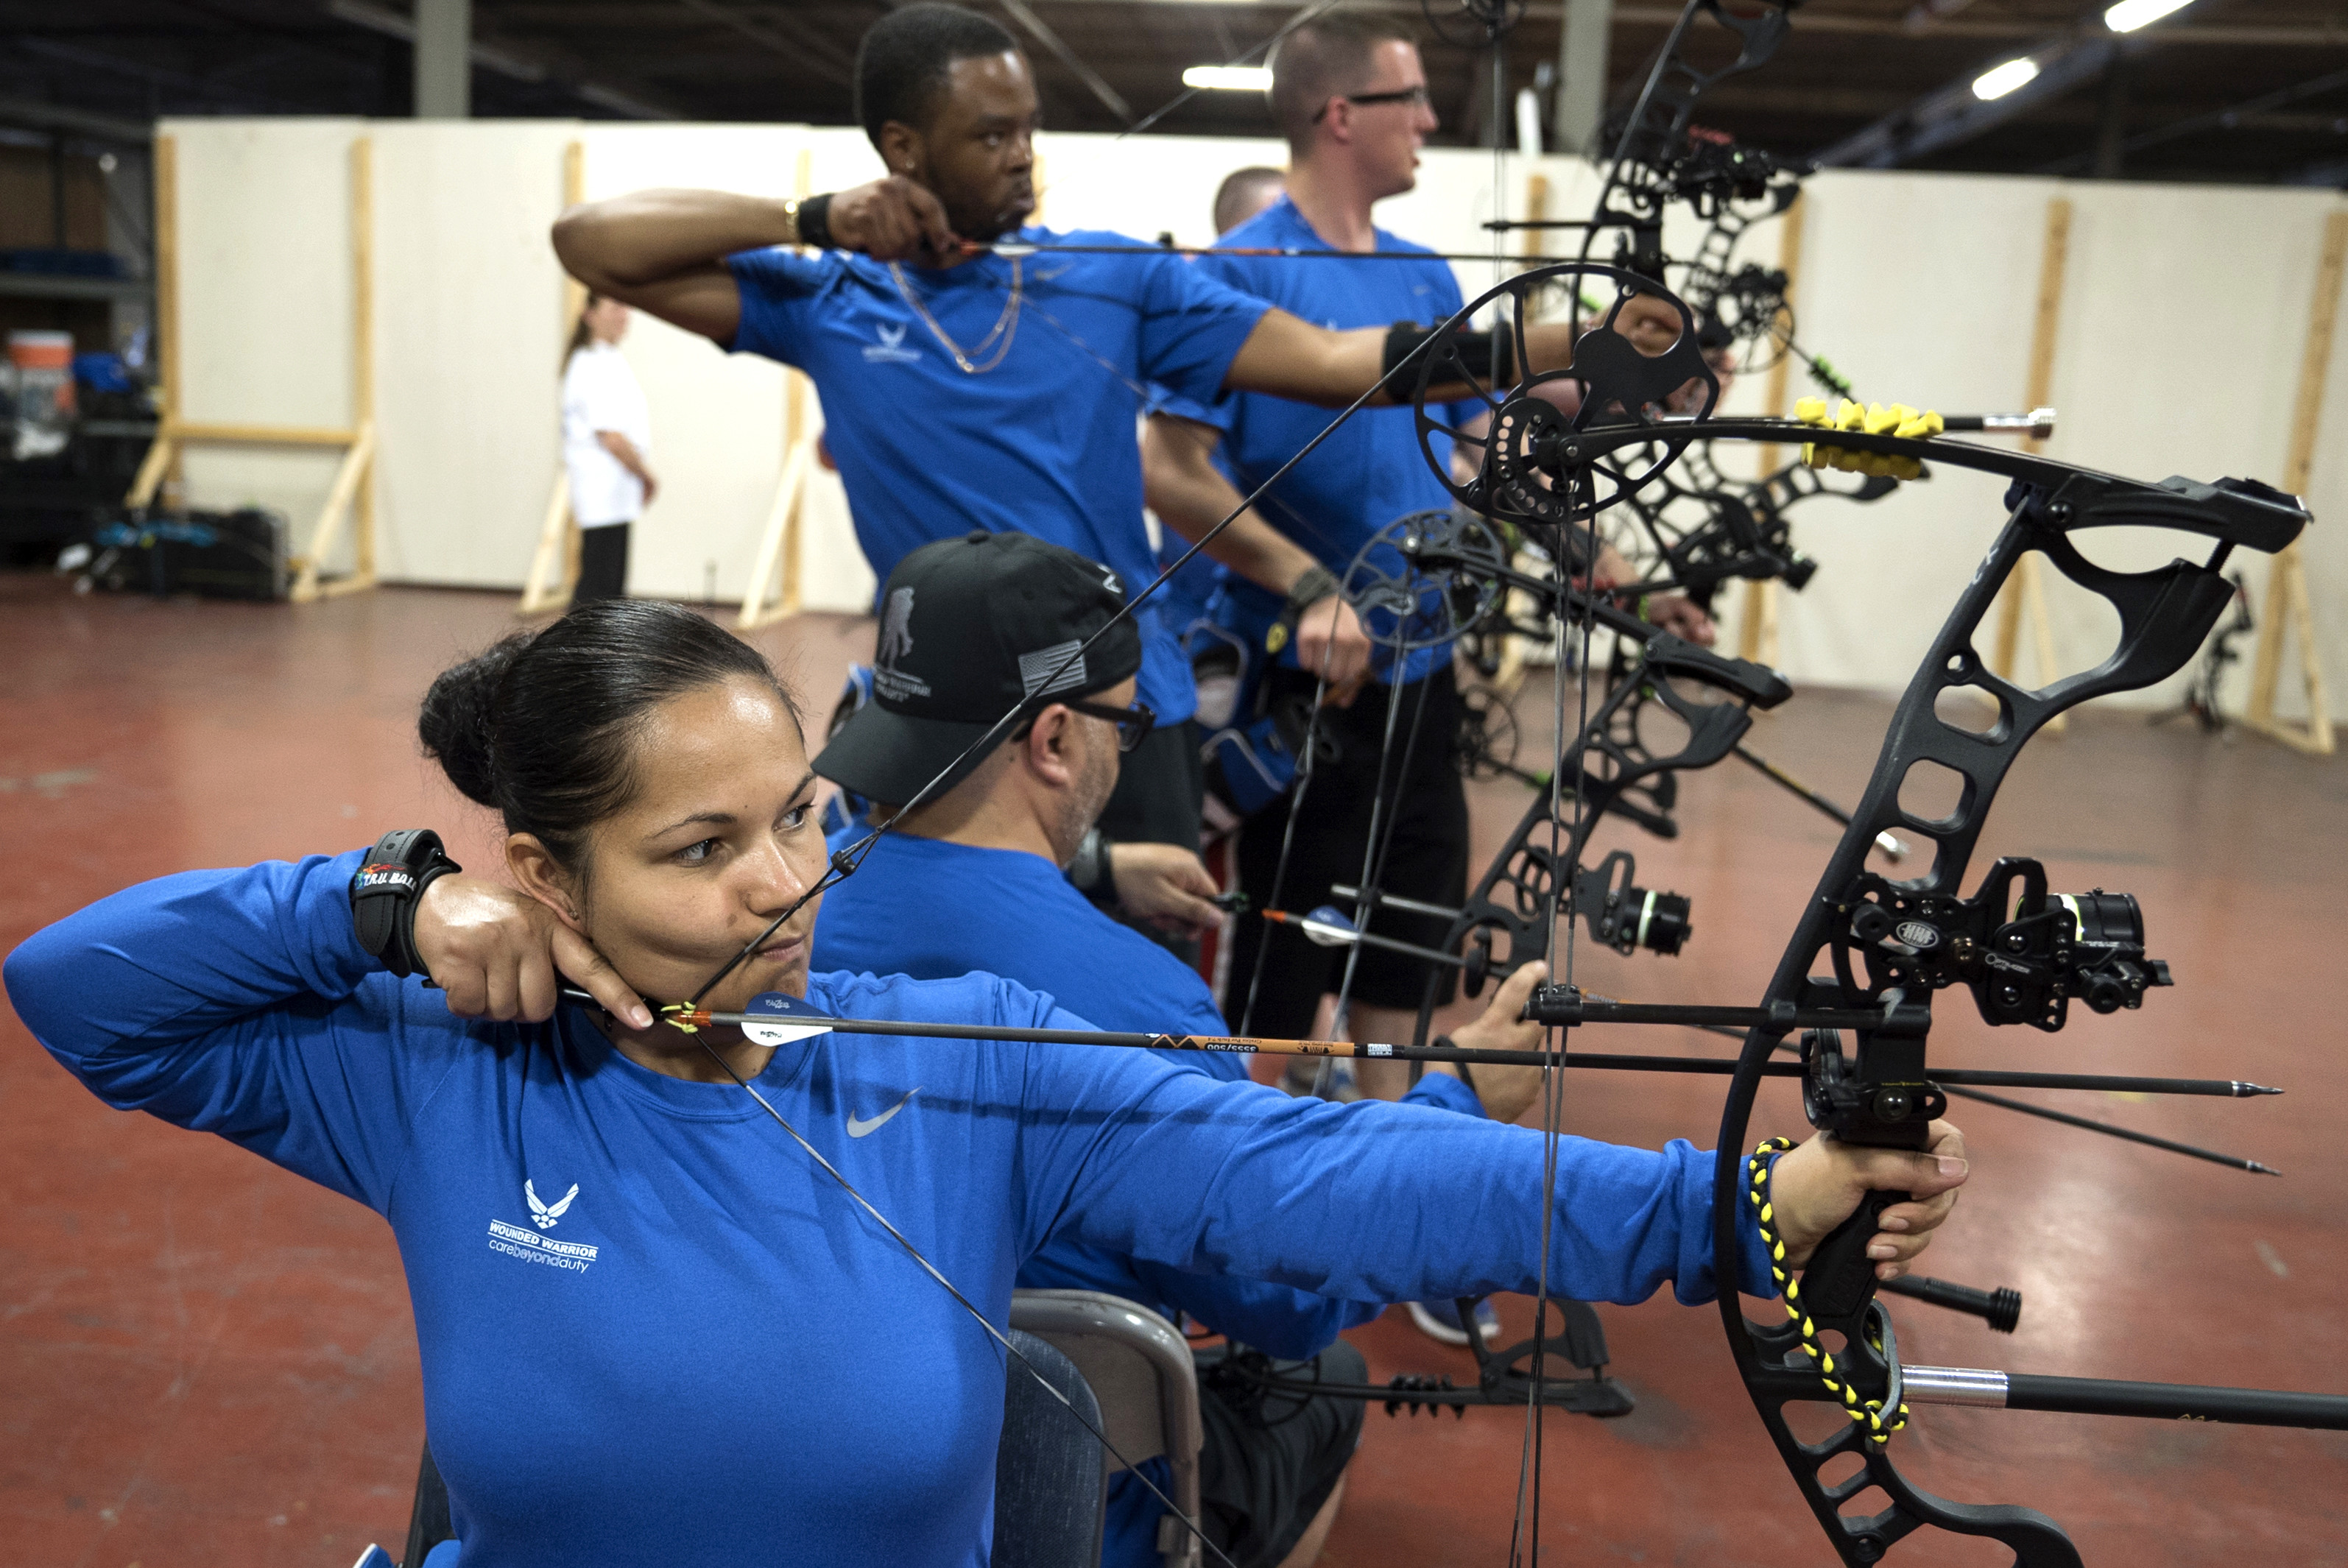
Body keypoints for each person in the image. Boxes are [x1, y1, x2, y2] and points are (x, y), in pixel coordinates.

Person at [6, 599, 1968, 1567]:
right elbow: (79, 988)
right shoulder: (440, 1068)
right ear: (545, 878)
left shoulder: (967, 1057)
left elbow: (1310, 1176)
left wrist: (1736, 1207)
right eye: (698, 854)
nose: (781, 882)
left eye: (789, 816)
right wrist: (370, 905)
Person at [549, 1, 1607, 862]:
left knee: (1139, 1031)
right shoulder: (827, 299)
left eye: (1028, 130)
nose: (1023, 159)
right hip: (941, 716)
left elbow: (1342, 366)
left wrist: (1577, 338)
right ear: (902, 149)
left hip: (1120, 711)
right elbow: (592, 243)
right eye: (990, 135)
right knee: (948, 1023)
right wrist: (814, 220)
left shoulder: (1113, 277)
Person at [1139, 10, 1721, 1347]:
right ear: (1336, 114)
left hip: (1425, 672)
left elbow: (1481, 463)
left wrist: (1638, 416)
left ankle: (1399, 1210)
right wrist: (1306, 589)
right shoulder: (1230, 274)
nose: (1428, 122)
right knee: (1280, 974)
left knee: (1408, 943)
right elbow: (1170, 469)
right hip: (1300, 680)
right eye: (1406, 99)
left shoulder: (1421, 276)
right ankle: (1248, 1227)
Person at [810, 531, 1554, 1568]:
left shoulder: (776, 909)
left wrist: (1095, 867)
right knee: (1323, 1376)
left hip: (807, 1440)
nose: (1128, 752)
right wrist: (1462, 1095)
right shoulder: (1148, 995)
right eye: (1131, 722)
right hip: (1044, 1496)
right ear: (1057, 738)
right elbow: (1287, 1298)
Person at [559, 292, 657, 604]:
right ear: (590, 315)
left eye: (626, 306)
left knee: (611, 588)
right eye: (615, 307)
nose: (624, 314)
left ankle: (605, 650)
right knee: (597, 589)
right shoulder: (589, 364)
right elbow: (611, 437)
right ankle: (574, 652)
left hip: (617, 493)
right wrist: (645, 475)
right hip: (601, 492)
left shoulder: (610, 359)